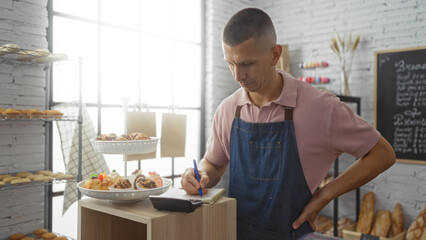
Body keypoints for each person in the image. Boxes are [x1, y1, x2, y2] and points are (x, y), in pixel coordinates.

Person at [181, 7, 396, 240]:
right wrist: (199, 174)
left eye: (246, 63)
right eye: (230, 63)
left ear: (275, 55)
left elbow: (383, 153)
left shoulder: (320, 107)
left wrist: (323, 196)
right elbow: (214, 163)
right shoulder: (228, 109)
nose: (237, 75)